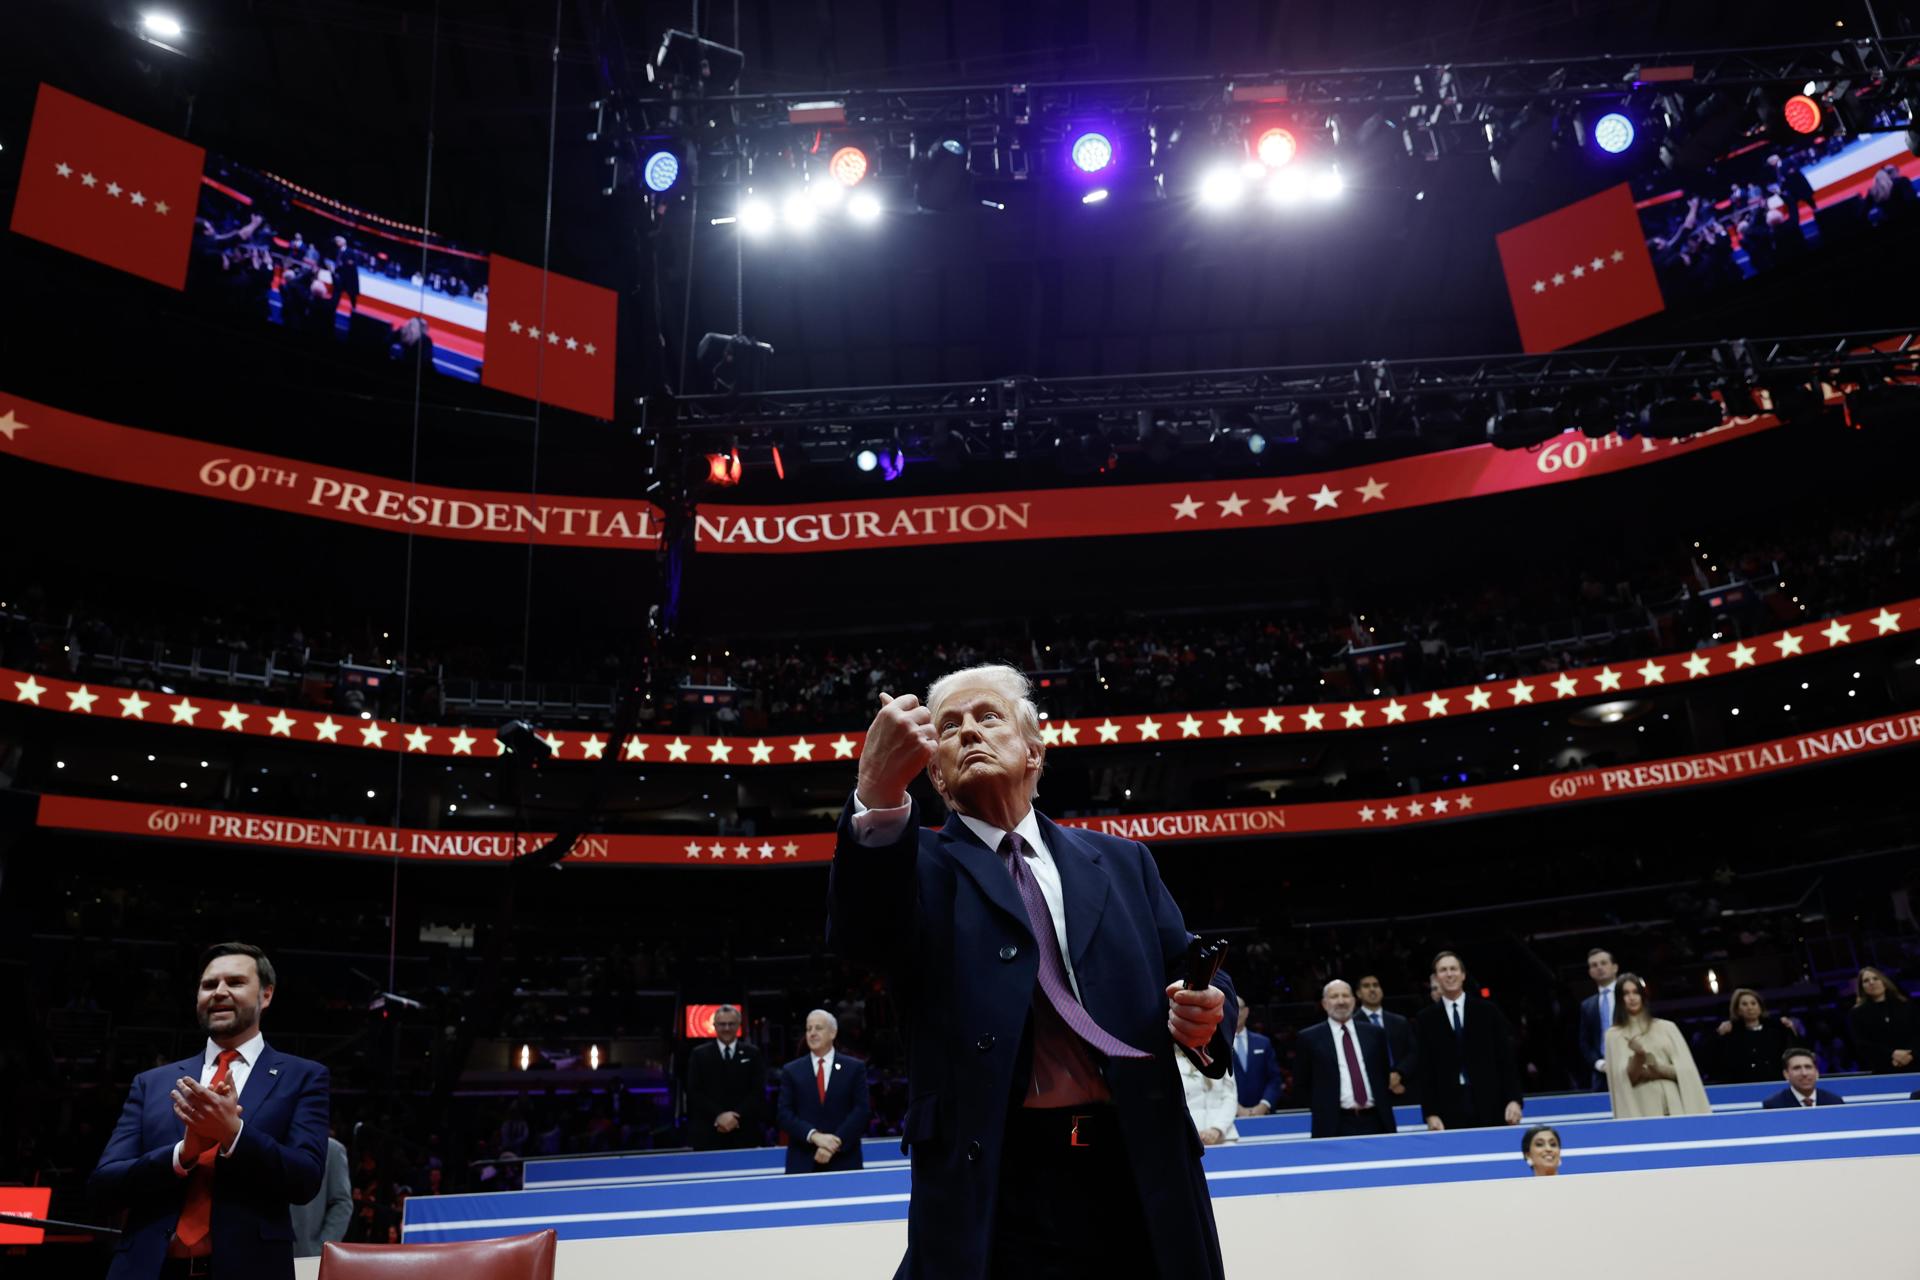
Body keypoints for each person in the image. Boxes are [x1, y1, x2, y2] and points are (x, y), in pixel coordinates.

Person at [829, 665, 1235, 1279]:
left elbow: (1197, 973)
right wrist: (876, 790)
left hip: (1138, 1165)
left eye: (987, 717)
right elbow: (862, 937)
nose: (968, 732)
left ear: (1035, 752)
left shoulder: (1125, 863)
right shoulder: (913, 867)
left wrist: (1206, 1011)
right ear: (934, 772)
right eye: (949, 727)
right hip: (996, 1178)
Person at [89, 942, 329, 1280]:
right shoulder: (152, 1082)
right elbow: (104, 1185)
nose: (219, 992)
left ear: (266, 995)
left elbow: (305, 1181)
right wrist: (183, 1154)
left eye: (235, 982)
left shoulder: (303, 1076)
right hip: (146, 1269)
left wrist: (234, 1134)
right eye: (208, 985)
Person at [1415, 951, 1523, 1131]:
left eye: (1453, 969)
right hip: (1448, 1108)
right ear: (1436, 978)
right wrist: (1430, 1113)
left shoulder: (1487, 1011)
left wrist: (1514, 1100)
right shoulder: (1426, 1019)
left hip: (1491, 1102)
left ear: (1463, 975)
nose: (1449, 974)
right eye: (1443, 970)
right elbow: (1425, 1070)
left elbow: (1506, 1059)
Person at [1292, 980, 1396, 1138]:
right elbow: (1301, 1084)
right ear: (1324, 1003)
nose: (1341, 1001)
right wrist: (1324, 1108)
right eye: (1334, 996)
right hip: (1333, 1124)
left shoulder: (1375, 1034)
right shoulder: (1309, 1038)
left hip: (1377, 1121)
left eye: (1345, 996)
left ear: (1354, 1001)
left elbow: (1383, 1072)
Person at [1603, 974, 1710, 1119]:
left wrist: (1657, 1070)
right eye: (1626, 993)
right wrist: (1639, 1056)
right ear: (1619, 999)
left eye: (1635, 992)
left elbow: (1687, 1072)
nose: (1632, 997)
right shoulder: (1613, 1035)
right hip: (1642, 1109)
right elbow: (1622, 1083)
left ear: (1642, 996)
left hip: (1675, 1105)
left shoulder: (1667, 1027)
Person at [775, 1009, 869, 1173]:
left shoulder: (854, 1068)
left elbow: (862, 1110)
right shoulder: (791, 1071)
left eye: (818, 1028)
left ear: (833, 1033)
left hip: (844, 1161)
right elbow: (784, 1114)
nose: (812, 1033)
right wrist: (814, 1136)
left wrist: (834, 1143)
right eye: (808, 1028)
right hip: (803, 1162)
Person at [685, 1004, 765, 1150]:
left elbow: (757, 1091)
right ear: (714, 1026)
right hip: (708, 1135)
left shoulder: (753, 1053)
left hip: (745, 1134)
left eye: (731, 1024)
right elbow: (693, 1091)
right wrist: (719, 1116)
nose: (727, 1028)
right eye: (722, 1024)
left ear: (739, 1026)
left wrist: (736, 1116)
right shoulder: (699, 1054)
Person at [1712, 988, 1800, 1082]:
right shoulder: (1731, 1034)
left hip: (1775, 1080)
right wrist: (1720, 1034)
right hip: (1745, 1085)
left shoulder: (1777, 1030)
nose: (1750, 1007)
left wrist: (1792, 1029)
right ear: (1737, 1010)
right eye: (1744, 1004)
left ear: (1760, 1007)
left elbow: (1794, 1052)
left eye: (1753, 1003)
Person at [1354, 974, 1418, 1098]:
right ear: (1358, 993)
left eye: (1376, 985)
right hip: (1369, 1091)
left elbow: (1413, 1052)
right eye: (1366, 986)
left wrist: (1398, 1074)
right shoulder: (1353, 1025)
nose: (1372, 989)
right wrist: (1384, 1079)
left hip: (1404, 1087)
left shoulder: (1400, 1021)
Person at [289, 1135, 351, 1258]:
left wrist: (321, 1249)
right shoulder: (259, 1144)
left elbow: (342, 1204)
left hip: (303, 1256)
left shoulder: (332, 1149)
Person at [1847, 965, 1916, 1074]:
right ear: (1862, 987)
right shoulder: (1857, 1014)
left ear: (1884, 982)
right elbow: (1862, 1044)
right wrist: (1892, 1054)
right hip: (1881, 1069)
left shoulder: (1905, 1005)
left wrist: (1910, 1055)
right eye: (1866, 981)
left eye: (1875, 978)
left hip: (1914, 1064)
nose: (1871, 982)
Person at [1178, 1043, 1239, 1145]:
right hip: (1188, 1138)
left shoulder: (1222, 1057)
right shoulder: (1173, 1062)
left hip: (1224, 1137)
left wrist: (1217, 1129)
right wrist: (1193, 1131)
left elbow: (1230, 1097)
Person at [1577, 948, 1620, 1090]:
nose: (1599, 967)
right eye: (1594, 965)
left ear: (1615, 967)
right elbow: (1584, 1041)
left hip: (1632, 1068)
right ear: (1590, 972)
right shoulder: (1587, 1005)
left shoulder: (1629, 996)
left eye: (1603, 963)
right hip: (1601, 1075)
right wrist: (1599, 1064)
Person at [1230, 1000, 1281, 1117]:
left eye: (1239, 1007)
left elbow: (1274, 1079)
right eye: (1229, 1007)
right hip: (1228, 1117)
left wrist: (1264, 1105)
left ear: (1246, 1011)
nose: (1235, 1012)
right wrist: (1234, 1107)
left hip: (1263, 1115)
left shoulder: (1263, 1042)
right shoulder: (1216, 1044)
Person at [1760, 1048, 1846, 1108]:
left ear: (1816, 1072)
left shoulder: (1834, 1102)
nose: (1804, 1073)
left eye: (1808, 1067)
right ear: (1786, 1074)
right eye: (1797, 1068)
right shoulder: (1773, 1105)